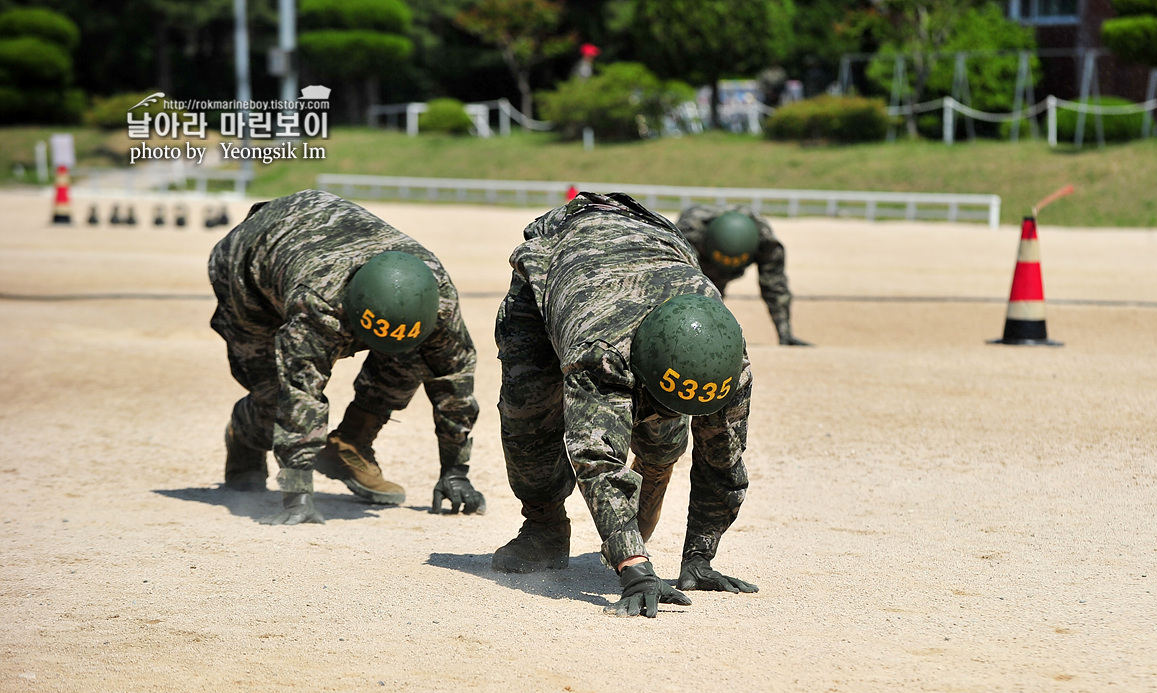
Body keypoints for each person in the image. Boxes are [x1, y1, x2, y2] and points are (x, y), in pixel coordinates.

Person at [494, 191, 759, 618]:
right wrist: (632, 566)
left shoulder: (727, 359)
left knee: (665, 426)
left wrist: (699, 556)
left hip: (658, 242)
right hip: (559, 260)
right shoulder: (600, 353)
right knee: (528, 413)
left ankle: (653, 469)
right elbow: (597, 456)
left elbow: (723, 457)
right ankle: (543, 526)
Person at [208, 189, 484, 524]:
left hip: (328, 239)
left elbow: (454, 383)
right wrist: (297, 493)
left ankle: (350, 444)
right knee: (273, 396)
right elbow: (300, 394)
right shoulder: (319, 305)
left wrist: (455, 471)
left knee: (419, 356)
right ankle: (244, 436)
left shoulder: (436, 299)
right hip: (247, 261)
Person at [675, 204, 811, 346]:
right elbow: (678, 284)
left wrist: (785, 333)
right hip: (700, 260)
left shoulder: (764, 241)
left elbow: (775, 286)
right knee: (699, 296)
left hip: (720, 252)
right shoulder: (689, 235)